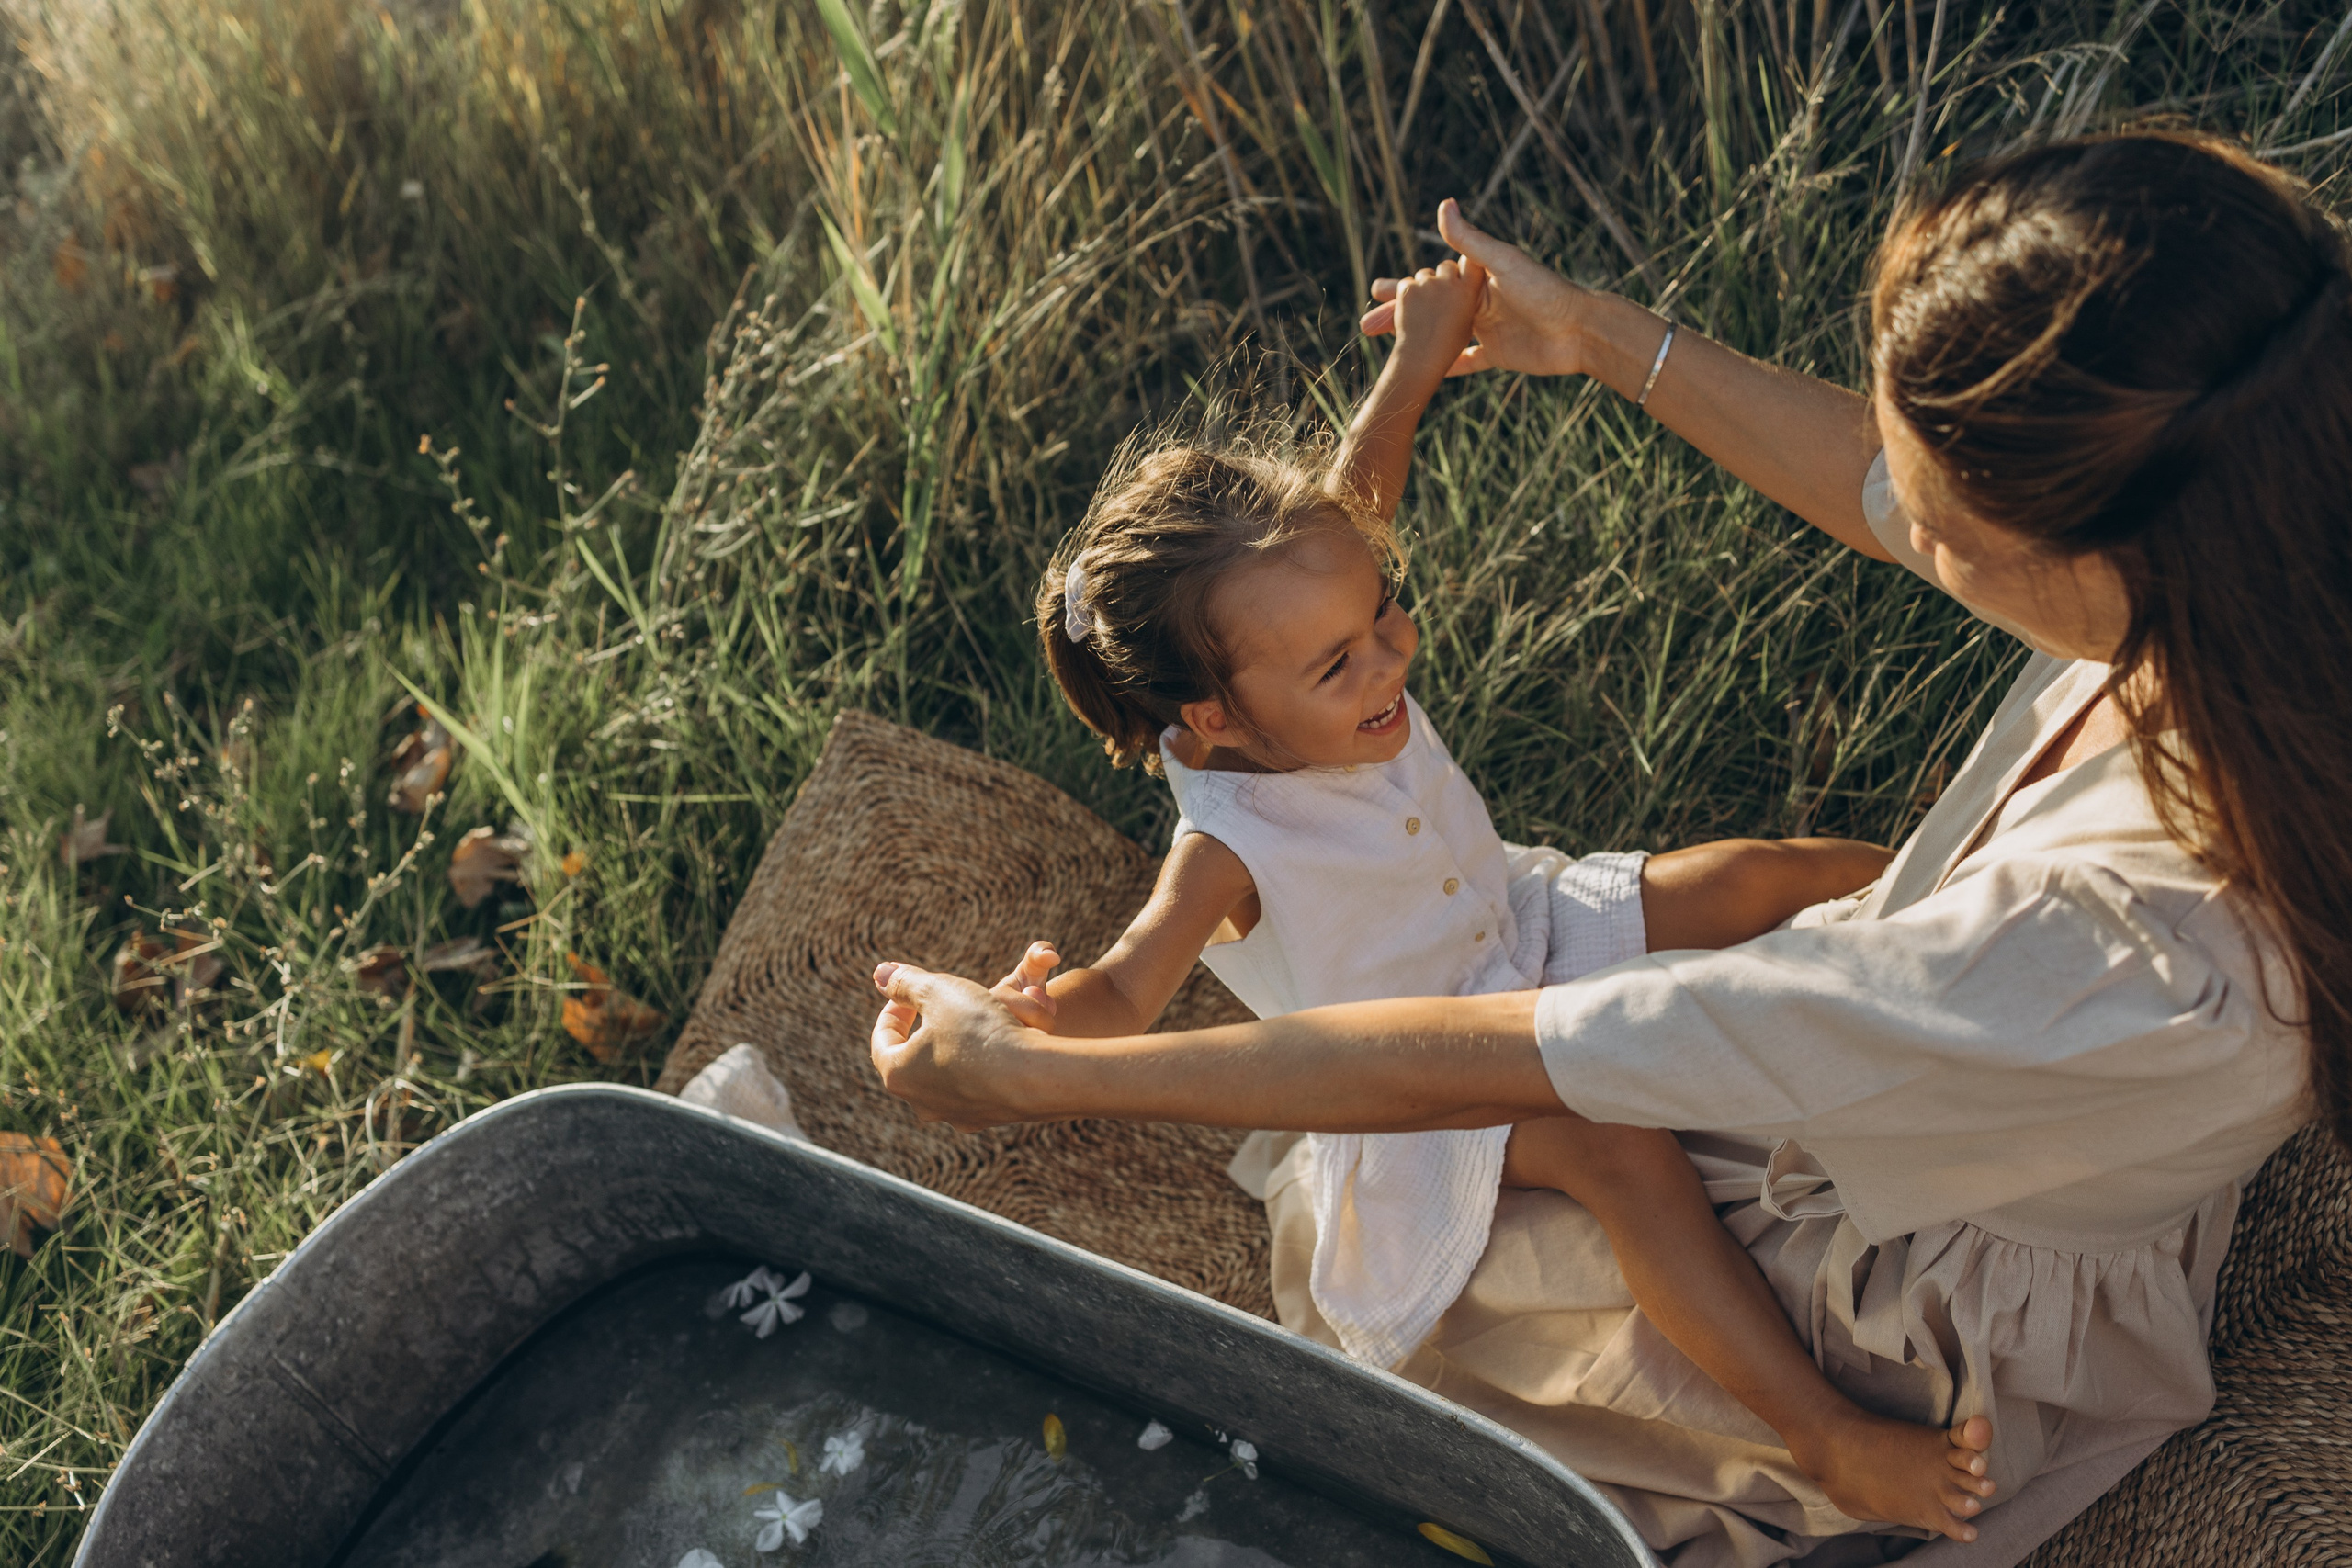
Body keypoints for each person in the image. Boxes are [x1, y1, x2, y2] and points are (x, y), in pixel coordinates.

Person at [869, 130, 2346, 1567]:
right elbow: (1880, 491)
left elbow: (1525, 1048)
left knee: (1657, 1076)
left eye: (1934, 511)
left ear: (2103, 551)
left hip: (1918, 1263)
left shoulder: (2134, 945)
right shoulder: (2270, 536)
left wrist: (1039, 1077)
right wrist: (1593, 334)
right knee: (1644, 1089)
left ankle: (1824, 1433)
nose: (1888, 502)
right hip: (1869, 1070)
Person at [1001, 247, 1933, 1527]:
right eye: (1342, 662)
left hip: (1520, 930)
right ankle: (1820, 1432)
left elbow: (1359, 493)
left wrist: (1418, 355)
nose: (1392, 654)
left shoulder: (1312, 617)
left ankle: (1975, 901)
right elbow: (1125, 989)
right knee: (1617, 1146)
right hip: (1429, 1083)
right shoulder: (1226, 847)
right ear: (1212, 718)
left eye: (1386, 610)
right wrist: (1034, 1023)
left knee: (1756, 875)